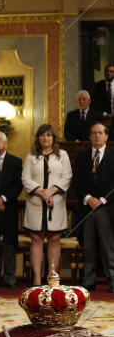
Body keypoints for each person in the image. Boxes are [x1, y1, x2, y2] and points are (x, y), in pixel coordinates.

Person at [22, 124, 72, 285]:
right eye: (42, 135)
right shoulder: (31, 157)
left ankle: (52, 277)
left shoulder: (62, 155)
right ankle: (37, 278)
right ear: (38, 138)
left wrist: (51, 191)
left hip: (55, 203)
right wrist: (41, 192)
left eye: (49, 135)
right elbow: (26, 178)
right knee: (36, 238)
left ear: (53, 138)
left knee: (54, 239)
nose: (45, 138)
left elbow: (67, 177)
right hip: (36, 203)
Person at [75, 122, 114, 292]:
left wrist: (103, 200)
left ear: (106, 136)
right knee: (88, 246)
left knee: (108, 247)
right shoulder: (82, 156)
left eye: (100, 133)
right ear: (90, 136)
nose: (97, 136)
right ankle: (89, 280)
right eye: (94, 133)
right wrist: (88, 198)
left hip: (107, 208)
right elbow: (77, 182)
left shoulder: (113, 155)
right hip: (87, 208)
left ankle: (112, 280)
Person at [0, 131, 23, 288]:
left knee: (10, 244)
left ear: (5, 142)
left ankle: (10, 279)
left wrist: (3, 199)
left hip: (9, 209)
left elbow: (18, 185)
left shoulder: (15, 161)